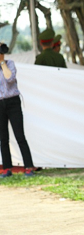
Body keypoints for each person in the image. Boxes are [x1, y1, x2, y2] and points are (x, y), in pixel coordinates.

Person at [0, 45, 35, 178]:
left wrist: (2, 62)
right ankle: (7, 168)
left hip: (13, 102)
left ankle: (28, 167)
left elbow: (9, 79)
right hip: (0, 103)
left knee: (19, 135)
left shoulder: (10, 64)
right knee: (3, 138)